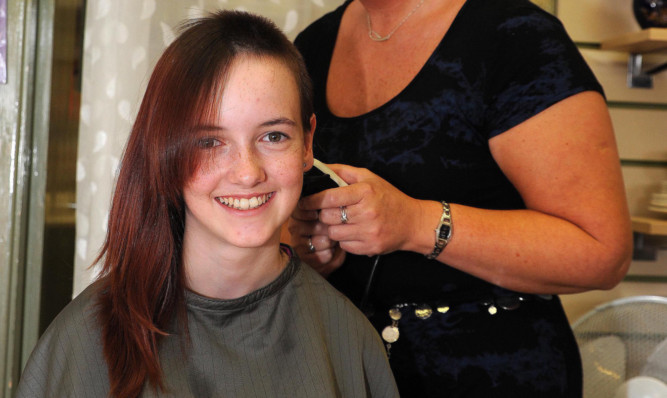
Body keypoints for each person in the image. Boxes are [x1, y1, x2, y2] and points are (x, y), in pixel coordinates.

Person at [15, 10, 399, 398]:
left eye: (274, 136)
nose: (247, 173)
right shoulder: (86, 342)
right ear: (166, 151)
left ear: (307, 143)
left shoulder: (348, 339)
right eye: (210, 142)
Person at [290, 0, 633, 396]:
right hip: (352, 372)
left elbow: (602, 252)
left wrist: (415, 224)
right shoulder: (313, 45)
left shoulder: (515, 35)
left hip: (496, 375)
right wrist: (311, 247)